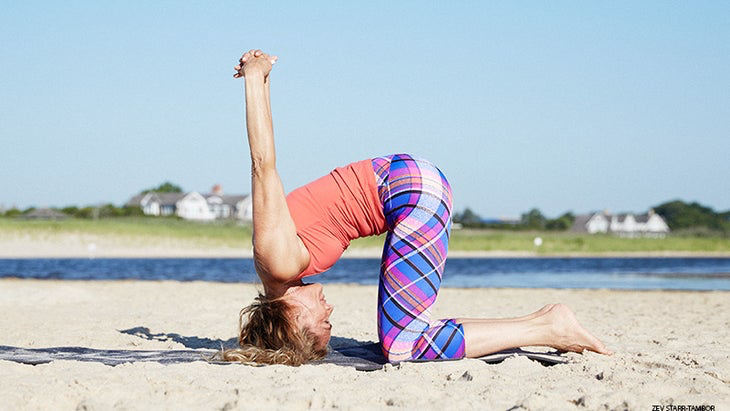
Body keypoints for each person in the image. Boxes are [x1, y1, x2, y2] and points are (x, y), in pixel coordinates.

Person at [221, 49, 612, 366]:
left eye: (322, 321)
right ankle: (538, 322)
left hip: (410, 191)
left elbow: (263, 166)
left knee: (401, 346)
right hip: (411, 188)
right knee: (404, 330)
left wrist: (255, 79)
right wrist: (266, 81)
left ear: (290, 318)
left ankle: (549, 327)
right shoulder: (285, 268)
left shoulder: (276, 259)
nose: (329, 309)